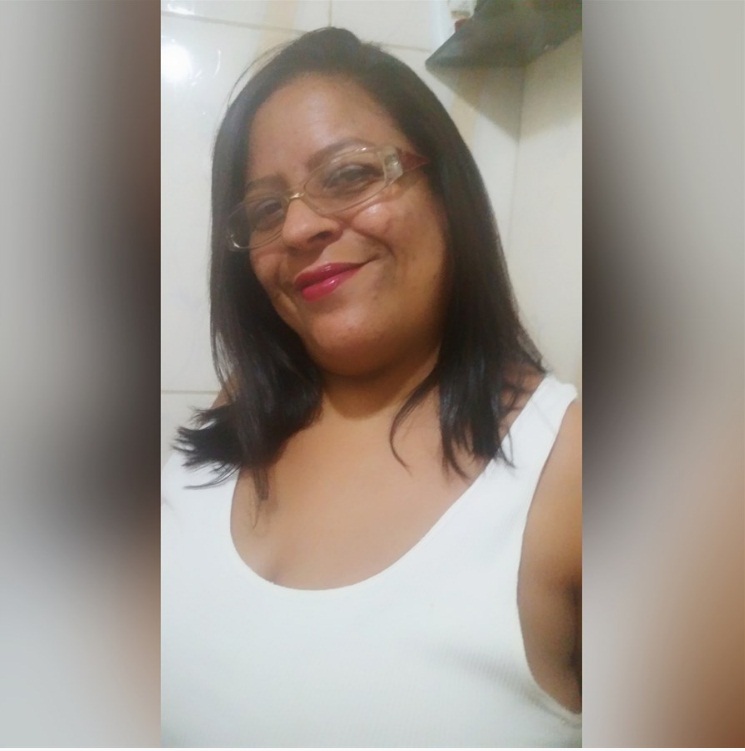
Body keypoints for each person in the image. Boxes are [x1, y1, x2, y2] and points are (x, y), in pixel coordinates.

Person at [161, 27, 581, 748]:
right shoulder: (239, 412)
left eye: (350, 174)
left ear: (446, 192)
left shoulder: (573, 469)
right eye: (265, 210)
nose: (298, 226)